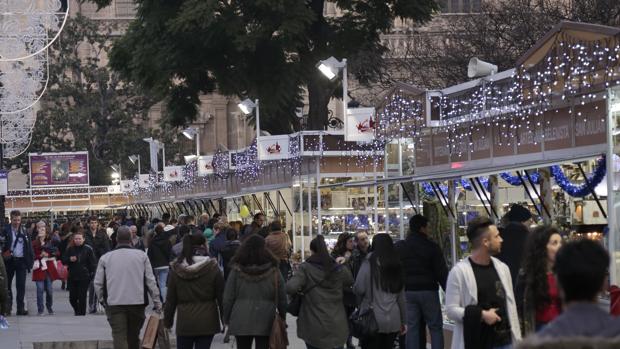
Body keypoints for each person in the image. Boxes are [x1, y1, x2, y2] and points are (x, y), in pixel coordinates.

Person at [445, 216, 521, 349]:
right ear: (485, 242)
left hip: (506, 341)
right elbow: (451, 310)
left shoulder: (502, 268)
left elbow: (511, 305)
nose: (501, 240)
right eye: (497, 236)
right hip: (477, 341)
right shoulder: (459, 272)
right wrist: (481, 315)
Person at [94, 226, 161, 349]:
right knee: (134, 335)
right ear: (131, 239)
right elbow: (151, 281)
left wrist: (103, 301)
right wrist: (157, 302)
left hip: (114, 303)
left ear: (116, 239)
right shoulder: (142, 256)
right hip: (137, 302)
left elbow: (98, 284)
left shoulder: (105, 258)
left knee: (119, 335)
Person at [286, 235, 354, 349]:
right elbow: (350, 281)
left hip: (313, 324)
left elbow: (290, 288)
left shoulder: (306, 268)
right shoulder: (337, 268)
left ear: (312, 251)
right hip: (337, 323)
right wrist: (343, 262)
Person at [223, 234, 286, 349]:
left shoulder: (236, 270)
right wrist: (282, 316)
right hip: (266, 317)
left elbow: (228, 297)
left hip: (241, 316)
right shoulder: (274, 270)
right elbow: (282, 297)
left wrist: (226, 318)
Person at [396, 214, 448, 349]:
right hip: (429, 291)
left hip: (409, 292)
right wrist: (450, 291)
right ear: (422, 228)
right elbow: (441, 271)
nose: (429, 229)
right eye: (427, 227)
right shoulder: (432, 246)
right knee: (435, 327)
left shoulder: (401, 246)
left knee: (412, 328)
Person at [164, 234, 224, 349]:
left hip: (185, 321)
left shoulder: (177, 269)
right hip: (208, 320)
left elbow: (171, 300)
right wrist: (224, 319)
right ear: (203, 245)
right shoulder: (213, 268)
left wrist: (168, 322)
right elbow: (221, 296)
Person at [353, 233, 407, 349]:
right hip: (394, 319)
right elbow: (401, 297)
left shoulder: (369, 262)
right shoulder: (397, 264)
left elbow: (359, 288)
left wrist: (361, 304)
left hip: (372, 319)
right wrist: (404, 321)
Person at [515, 226, 562, 335]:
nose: (560, 247)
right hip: (538, 330)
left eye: (561, 243)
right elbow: (519, 309)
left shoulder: (564, 273)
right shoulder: (526, 275)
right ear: (542, 247)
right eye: (554, 243)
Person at [1, 210, 34, 315]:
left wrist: (30, 261)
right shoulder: (4, 230)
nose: (17, 222)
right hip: (9, 261)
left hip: (21, 262)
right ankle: (8, 308)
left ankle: (20, 309)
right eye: (15, 220)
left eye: (19, 220)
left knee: (21, 286)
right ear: (11, 219)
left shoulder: (24, 230)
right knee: (7, 286)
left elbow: (29, 247)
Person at [330, 232, 356, 349]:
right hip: (340, 292)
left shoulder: (355, 254)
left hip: (352, 292)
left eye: (353, 241)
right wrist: (345, 260)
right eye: (350, 241)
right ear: (343, 242)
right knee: (341, 320)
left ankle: (349, 341)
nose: (353, 244)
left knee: (350, 318)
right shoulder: (335, 255)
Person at [63, 230, 97, 316]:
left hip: (84, 276)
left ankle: (81, 314)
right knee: (72, 298)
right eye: (76, 239)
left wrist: (91, 274)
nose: (78, 240)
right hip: (72, 276)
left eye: (79, 239)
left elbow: (93, 263)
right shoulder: (70, 249)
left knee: (82, 296)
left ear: (83, 239)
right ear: (73, 240)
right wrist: (70, 259)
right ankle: (77, 309)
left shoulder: (88, 249)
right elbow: (63, 260)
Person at [497, 204, 532, 286]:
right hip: (521, 282)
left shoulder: (500, 236)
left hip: (502, 280)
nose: (530, 224)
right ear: (522, 221)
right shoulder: (527, 237)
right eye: (529, 221)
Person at [32, 222, 60, 315]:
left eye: (43, 228)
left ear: (46, 231)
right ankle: (40, 309)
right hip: (39, 268)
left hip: (49, 268)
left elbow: (57, 253)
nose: (41, 230)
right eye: (39, 228)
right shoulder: (34, 243)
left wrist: (48, 254)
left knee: (49, 290)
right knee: (39, 289)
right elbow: (31, 255)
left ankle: (49, 306)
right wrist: (40, 256)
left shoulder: (51, 241)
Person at [84, 216, 111, 314]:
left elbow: (107, 248)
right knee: (93, 284)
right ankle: (92, 305)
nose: (93, 224)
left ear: (97, 224)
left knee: (102, 284)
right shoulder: (85, 234)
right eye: (91, 222)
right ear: (88, 224)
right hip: (90, 263)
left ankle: (102, 304)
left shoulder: (102, 234)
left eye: (95, 222)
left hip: (101, 261)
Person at [147, 224, 173, 302]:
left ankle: (157, 300)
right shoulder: (167, 241)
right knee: (163, 284)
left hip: (155, 265)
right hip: (165, 265)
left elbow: (149, 254)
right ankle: (164, 301)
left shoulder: (152, 241)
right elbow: (170, 253)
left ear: (156, 232)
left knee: (155, 284)